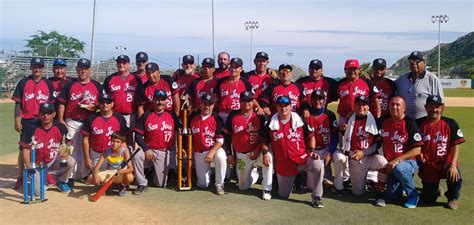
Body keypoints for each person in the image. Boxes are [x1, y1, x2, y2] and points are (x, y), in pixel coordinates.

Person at [260, 95, 325, 208]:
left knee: (318, 164)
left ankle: (317, 197)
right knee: (284, 195)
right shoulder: (271, 122)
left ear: (291, 106)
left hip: (302, 158)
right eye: (281, 106)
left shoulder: (299, 120)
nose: (283, 108)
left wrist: (312, 151)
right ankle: (288, 184)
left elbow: (311, 137)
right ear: (277, 107)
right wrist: (265, 153)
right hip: (284, 164)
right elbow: (264, 141)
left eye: (286, 105)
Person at [335, 59, 381, 193]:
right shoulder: (340, 84)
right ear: (345, 70)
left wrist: (377, 117)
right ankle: (348, 175)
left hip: (364, 118)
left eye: (355, 68)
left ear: (359, 70)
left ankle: (372, 178)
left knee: (366, 143)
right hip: (345, 118)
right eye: (349, 69)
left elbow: (375, 99)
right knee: (345, 147)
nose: (352, 71)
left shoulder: (366, 82)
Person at [12, 57, 54, 189]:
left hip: (43, 120)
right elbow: (18, 103)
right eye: (35, 66)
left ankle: (45, 173)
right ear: (31, 67)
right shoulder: (23, 82)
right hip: (28, 121)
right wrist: (17, 120)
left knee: (44, 147)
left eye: (40, 66)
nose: (37, 69)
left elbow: (52, 105)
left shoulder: (48, 83)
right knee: (24, 148)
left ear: (43, 68)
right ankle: (20, 176)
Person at [417, 95, 465, 209]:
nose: (434, 109)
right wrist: (419, 152)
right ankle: (435, 189)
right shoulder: (418, 123)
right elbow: (412, 143)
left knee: (455, 174)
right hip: (429, 164)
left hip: (446, 162)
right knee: (428, 200)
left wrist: (453, 164)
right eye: (431, 106)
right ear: (425, 107)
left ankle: (452, 198)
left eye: (437, 106)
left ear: (442, 108)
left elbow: (455, 145)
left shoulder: (450, 123)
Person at [57, 58, 102, 181]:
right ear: (77, 69)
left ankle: (84, 174)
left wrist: (96, 106)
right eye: (81, 68)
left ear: (90, 70)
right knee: (70, 149)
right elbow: (62, 103)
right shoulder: (70, 84)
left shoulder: (96, 85)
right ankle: (70, 175)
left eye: (85, 69)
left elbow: (103, 103)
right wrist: (61, 119)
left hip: (89, 121)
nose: (83, 71)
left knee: (86, 149)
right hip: (72, 121)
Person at [334, 96, 387, 198]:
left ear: (368, 107)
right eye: (358, 104)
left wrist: (364, 152)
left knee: (382, 162)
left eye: (364, 104)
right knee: (357, 193)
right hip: (355, 158)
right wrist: (341, 130)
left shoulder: (375, 120)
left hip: (370, 156)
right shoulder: (350, 118)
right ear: (354, 106)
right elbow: (347, 136)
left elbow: (379, 142)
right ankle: (363, 181)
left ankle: (380, 191)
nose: (361, 106)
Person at [223, 91, 272, 200]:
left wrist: (258, 150)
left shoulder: (259, 115)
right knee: (242, 187)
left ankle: (267, 189)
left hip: (257, 151)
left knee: (268, 158)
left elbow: (265, 137)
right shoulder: (233, 115)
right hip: (242, 155)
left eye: (249, 100)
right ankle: (254, 174)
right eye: (243, 100)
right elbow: (227, 135)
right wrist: (229, 154)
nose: (246, 103)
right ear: (239, 102)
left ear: (253, 101)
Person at [19, 103, 76, 194]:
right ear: (39, 114)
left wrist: (66, 152)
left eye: (49, 113)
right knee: (37, 192)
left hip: (53, 160)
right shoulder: (31, 128)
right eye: (43, 113)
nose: (46, 116)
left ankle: (61, 181)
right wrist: (28, 165)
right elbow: (25, 148)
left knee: (70, 161)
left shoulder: (60, 127)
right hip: (37, 164)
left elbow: (68, 143)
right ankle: (44, 177)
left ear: (54, 114)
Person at [378, 96, 424, 208]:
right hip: (390, 165)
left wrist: (397, 160)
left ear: (404, 108)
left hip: (408, 162)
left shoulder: (410, 123)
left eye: (398, 105)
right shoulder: (383, 121)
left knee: (401, 168)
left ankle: (413, 195)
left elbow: (417, 149)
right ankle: (402, 183)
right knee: (392, 196)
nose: (394, 107)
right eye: (392, 104)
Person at [133, 90, 181, 194]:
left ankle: (151, 171)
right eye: (157, 99)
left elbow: (180, 133)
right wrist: (146, 149)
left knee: (161, 184)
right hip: (148, 150)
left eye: (162, 100)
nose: (160, 102)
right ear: (153, 100)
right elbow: (137, 136)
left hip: (164, 151)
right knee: (136, 155)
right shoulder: (146, 115)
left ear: (166, 101)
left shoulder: (172, 116)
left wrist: (181, 148)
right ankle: (142, 183)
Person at [80, 93, 129, 179]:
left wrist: (124, 153)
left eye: (108, 102)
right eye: (102, 102)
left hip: (115, 155)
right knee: (95, 179)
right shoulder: (91, 118)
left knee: (123, 176)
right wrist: (87, 158)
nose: (105, 104)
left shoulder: (119, 117)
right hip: (97, 154)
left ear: (112, 104)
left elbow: (125, 138)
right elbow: (85, 139)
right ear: (98, 104)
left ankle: (121, 184)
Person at [189, 93, 227, 195]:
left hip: (214, 149)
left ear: (213, 105)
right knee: (203, 184)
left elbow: (220, 140)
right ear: (200, 104)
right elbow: (186, 134)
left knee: (221, 156)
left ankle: (219, 184)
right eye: (204, 103)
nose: (207, 106)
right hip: (199, 151)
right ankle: (209, 172)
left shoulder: (217, 118)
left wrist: (212, 152)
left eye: (210, 104)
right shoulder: (193, 117)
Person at [395, 51, 444, 119]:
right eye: (411, 60)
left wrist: (436, 122)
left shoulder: (432, 79)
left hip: (423, 123)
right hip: (404, 122)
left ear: (424, 63)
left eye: (417, 60)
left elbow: (441, 104)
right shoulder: (401, 79)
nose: (414, 63)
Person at [305, 90, 339, 188]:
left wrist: (330, 152)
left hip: (326, 149)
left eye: (320, 99)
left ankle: (338, 184)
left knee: (341, 159)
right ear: (311, 100)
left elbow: (335, 136)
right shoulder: (307, 115)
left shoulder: (330, 115)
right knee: (311, 186)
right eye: (315, 99)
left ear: (324, 100)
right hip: (312, 150)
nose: (317, 101)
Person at [88, 132, 134, 196]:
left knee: (130, 177)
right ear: (110, 141)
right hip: (109, 173)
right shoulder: (106, 151)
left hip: (120, 174)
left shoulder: (125, 151)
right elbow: (97, 167)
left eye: (118, 142)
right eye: (113, 141)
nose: (114, 144)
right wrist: (95, 175)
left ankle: (122, 186)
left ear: (122, 143)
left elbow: (131, 169)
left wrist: (123, 171)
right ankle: (107, 185)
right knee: (90, 178)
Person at [103, 55, 142, 128]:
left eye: (124, 63)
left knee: (130, 137)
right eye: (119, 63)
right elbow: (104, 97)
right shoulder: (110, 79)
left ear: (129, 65)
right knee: (114, 137)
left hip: (131, 115)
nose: (121, 65)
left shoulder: (136, 79)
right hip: (114, 115)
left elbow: (141, 98)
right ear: (116, 64)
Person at [213, 57, 252, 122]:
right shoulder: (222, 81)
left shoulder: (245, 82)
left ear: (241, 69)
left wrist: (259, 108)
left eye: (236, 67)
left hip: (239, 114)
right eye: (232, 67)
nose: (233, 69)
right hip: (223, 114)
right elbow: (214, 98)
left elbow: (252, 99)